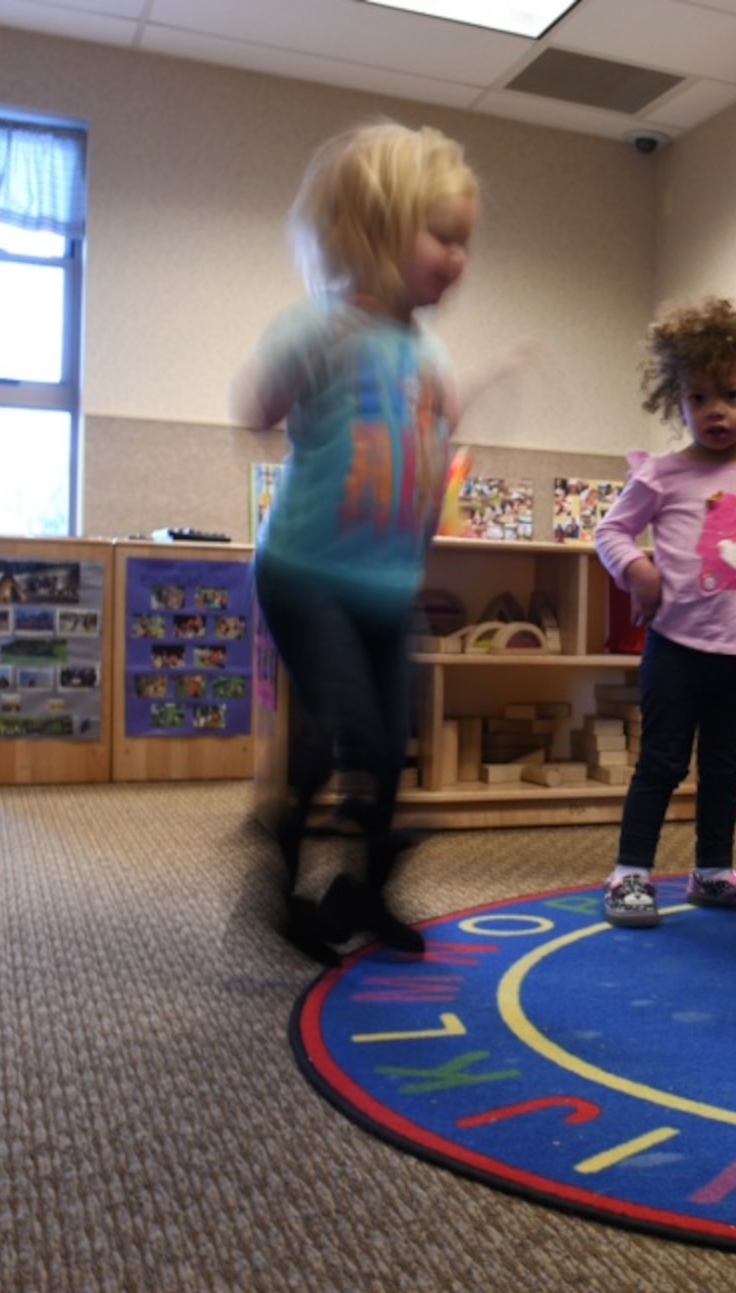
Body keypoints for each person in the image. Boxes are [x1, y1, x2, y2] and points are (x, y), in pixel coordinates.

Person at [235, 120, 484, 963]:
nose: (457, 258)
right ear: (378, 230)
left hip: (386, 585)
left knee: (391, 743)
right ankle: (286, 887)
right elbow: (258, 410)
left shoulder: (428, 351)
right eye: (442, 236)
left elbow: (424, 460)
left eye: (465, 244)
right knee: (360, 741)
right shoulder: (323, 328)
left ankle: (362, 892)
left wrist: (449, 425)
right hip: (307, 574)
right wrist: (274, 385)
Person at [591, 297, 736, 929]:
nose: (716, 410)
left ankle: (713, 871)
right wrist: (638, 567)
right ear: (678, 402)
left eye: (732, 395)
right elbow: (611, 532)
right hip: (677, 648)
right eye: (699, 396)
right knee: (660, 761)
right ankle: (630, 873)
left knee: (724, 766)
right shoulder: (663, 474)